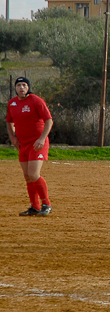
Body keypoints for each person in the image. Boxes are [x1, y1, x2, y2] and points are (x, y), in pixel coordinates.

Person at [6, 77, 54, 217]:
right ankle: (35, 206)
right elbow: (9, 122)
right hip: (23, 144)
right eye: (19, 85)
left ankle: (47, 204)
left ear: (28, 87)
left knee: (33, 174)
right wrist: (13, 138)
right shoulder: (12, 103)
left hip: (37, 143)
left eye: (24, 85)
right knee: (27, 176)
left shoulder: (36, 101)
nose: (21, 88)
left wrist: (42, 138)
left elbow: (49, 121)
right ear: (15, 88)